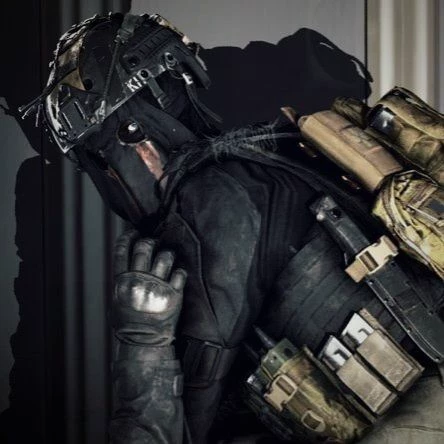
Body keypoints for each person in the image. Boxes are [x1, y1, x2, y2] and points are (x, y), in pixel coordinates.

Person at [20, 12, 444, 444]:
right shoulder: (280, 149)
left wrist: (142, 340)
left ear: (135, 139)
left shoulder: (210, 203)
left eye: (100, 155)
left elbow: (180, 430)